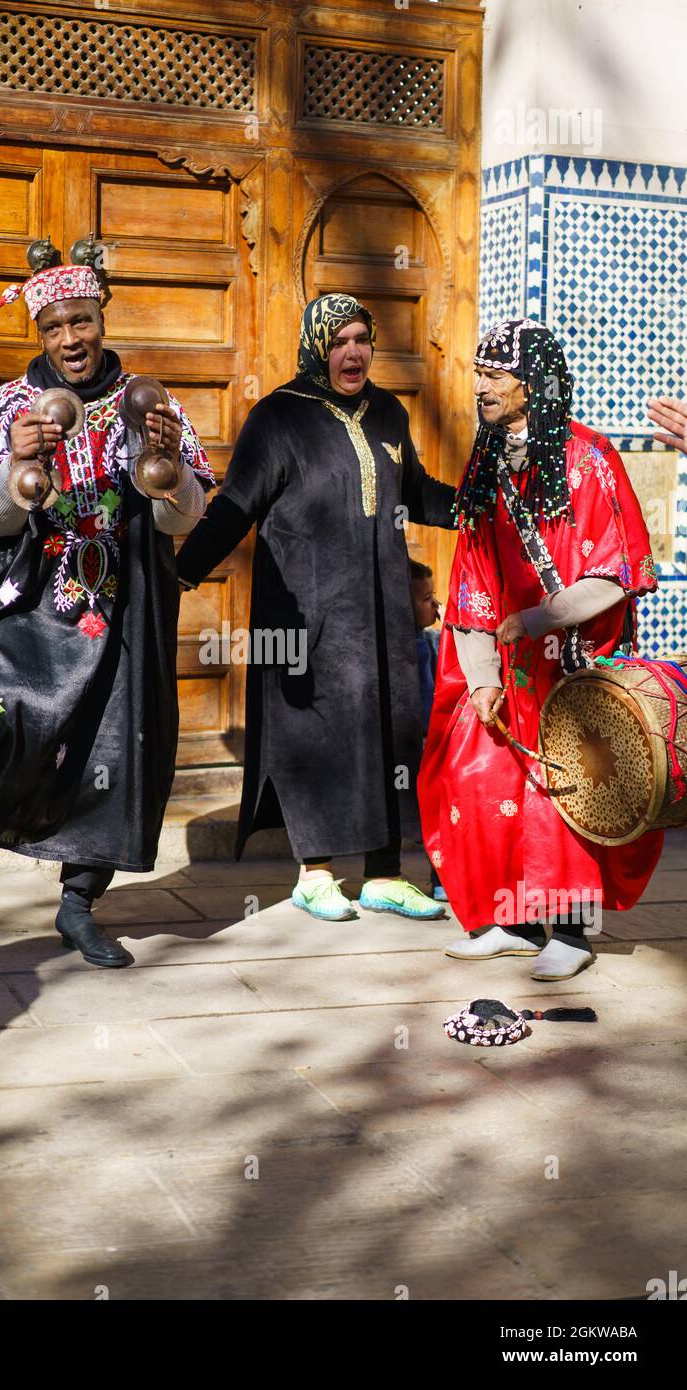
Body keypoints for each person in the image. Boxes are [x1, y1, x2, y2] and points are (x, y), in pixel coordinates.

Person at [0, 255, 213, 968]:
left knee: (114, 750)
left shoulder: (148, 400)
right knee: (6, 715)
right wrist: (12, 471)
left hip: (123, 607)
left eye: (81, 320)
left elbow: (183, 518)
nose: (70, 337)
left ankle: (79, 900)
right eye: (54, 327)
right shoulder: (9, 405)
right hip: (33, 606)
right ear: (40, 334)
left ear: (102, 318)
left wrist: (167, 473)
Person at [176, 293, 455, 922]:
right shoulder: (278, 417)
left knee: (387, 728)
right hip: (305, 611)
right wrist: (183, 570)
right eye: (339, 342)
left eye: (361, 339)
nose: (352, 352)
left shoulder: (386, 413)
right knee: (318, 736)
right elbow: (236, 504)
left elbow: (416, 491)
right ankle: (317, 873)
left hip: (380, 608)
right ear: (317, 347)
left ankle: (384, 874)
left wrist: (482, 508)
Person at [419, 318, 662, 981]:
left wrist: (534, 619)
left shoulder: (590, 458)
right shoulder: (489, 462)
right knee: (486, 774)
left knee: (571, 789)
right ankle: (516, 921)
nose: (479, 387)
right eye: (477, 372)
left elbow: (614, 572)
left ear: (532, 384)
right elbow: (471, 574)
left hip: (576, 662)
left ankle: (575, 931)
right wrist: (479, 673)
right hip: (509, 663)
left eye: (493, 375)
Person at [409, 560, 446, 902]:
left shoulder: (433, 641)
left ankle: (441, 877)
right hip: (411, 745)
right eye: (426, 599)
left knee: (437, 817)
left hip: (432, 743)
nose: (435, 606)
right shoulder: (406, 647)